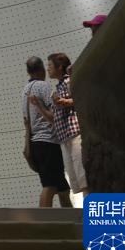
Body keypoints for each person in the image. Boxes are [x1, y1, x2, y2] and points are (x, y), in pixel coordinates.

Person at [33, 54, 88, 198]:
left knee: (84, 178)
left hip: (75, 134)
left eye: (50, 66)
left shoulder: (69, 81)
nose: (48, 69)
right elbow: (54, 119)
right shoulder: (57, 88)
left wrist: (63, 101)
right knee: (77, 180)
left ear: (59, 67)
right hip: (64, 138)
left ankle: (91, 208)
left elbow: (80, 98)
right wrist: (38, 105)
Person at [23, 57, 72, 208]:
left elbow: (26, 120)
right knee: (49, 186)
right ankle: (43, 220)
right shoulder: (43, 86)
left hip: (36, 143)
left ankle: (72, 218)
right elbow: (54, 115)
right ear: (41, 70)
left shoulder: (25, 90)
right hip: (47, 141)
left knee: (63, 189)